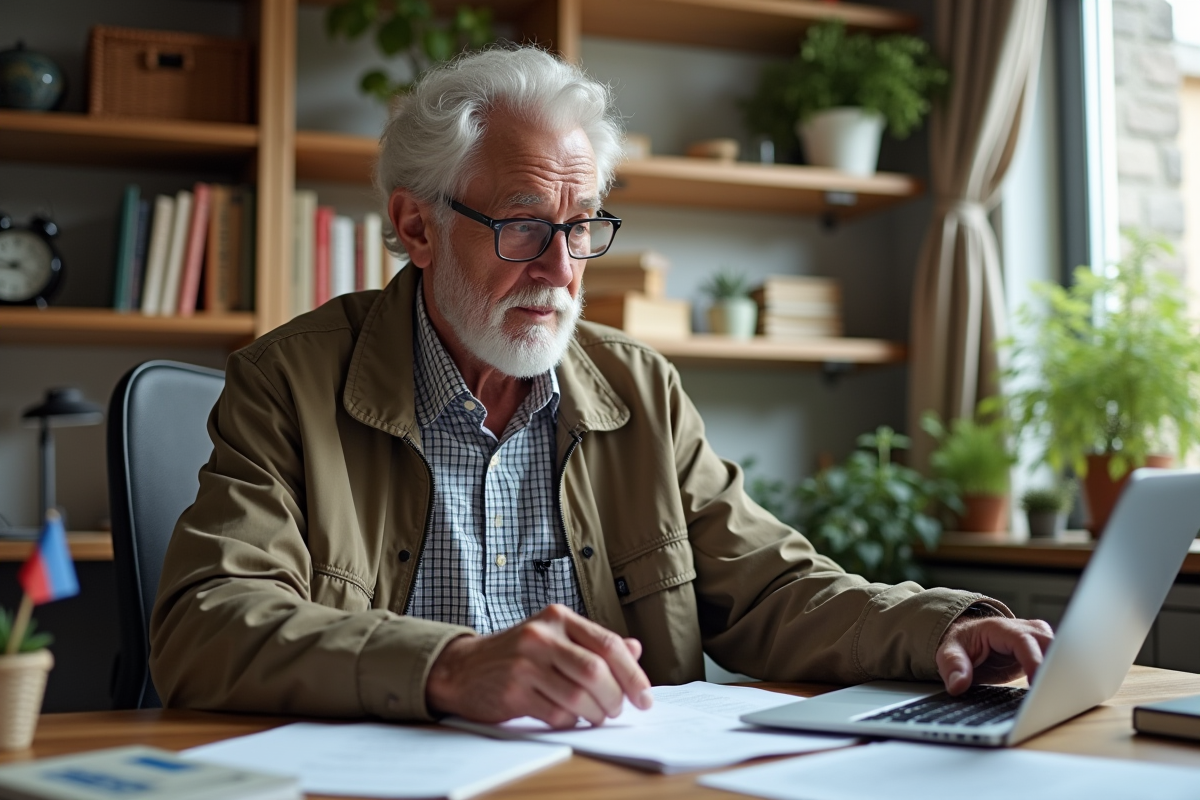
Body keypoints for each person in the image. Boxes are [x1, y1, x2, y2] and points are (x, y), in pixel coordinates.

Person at [150, 46, 1052, 728]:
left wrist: (941, 627)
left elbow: (774, 590)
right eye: (522, 227)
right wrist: (450, 666)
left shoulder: (638, 387)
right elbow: (208, 622)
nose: (560, 269)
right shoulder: (288, 382)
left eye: (581, 227)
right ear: (415, 227)